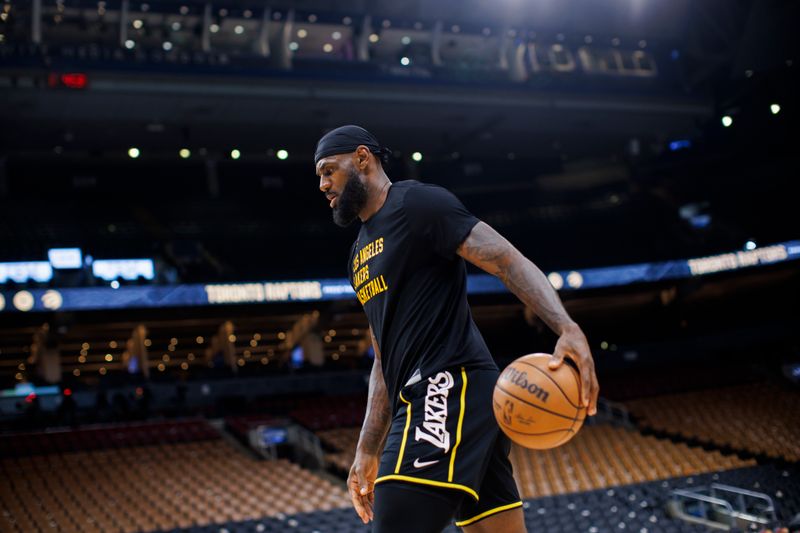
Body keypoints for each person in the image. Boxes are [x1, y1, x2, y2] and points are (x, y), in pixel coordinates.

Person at [314, 125, 599, 532]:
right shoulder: (358, 253)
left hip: (445, 387)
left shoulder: (417, 204)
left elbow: (505, 259)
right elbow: (384, 357)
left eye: (329, 170)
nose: (323, 185)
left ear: (363, 158)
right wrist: (366, 448)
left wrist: (566, 326)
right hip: (436, 396)